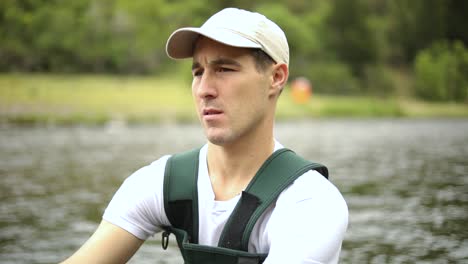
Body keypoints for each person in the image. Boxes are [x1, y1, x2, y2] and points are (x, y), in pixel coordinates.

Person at [62, 7, 348, 264]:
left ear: (276, 77)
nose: (204, 89)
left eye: (224, 69)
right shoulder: (161, 183)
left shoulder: (310, 203)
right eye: (198, 72)